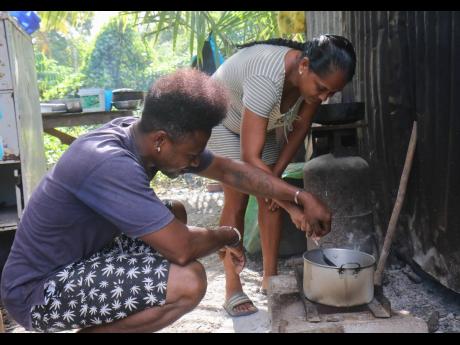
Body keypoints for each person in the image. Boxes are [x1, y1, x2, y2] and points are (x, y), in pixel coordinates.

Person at [0, 68, 331, 333]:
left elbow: (232, 172)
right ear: (161, 141)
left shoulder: (141, 136)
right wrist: (229, 235)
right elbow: (182, 248)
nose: (193, 163)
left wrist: (299, 196)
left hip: (78, 258)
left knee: (175, 212)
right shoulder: (108, 162)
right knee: (189, 281)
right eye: (190, 156)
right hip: (37, 291)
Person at [206, 34, 356, 316]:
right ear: (305, 65)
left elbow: (298, 130)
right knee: (237, 200)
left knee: (271, 195)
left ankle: (269, 278)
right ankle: (232, 288)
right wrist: (294, 203)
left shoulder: (311, 82)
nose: (324, 98)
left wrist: (276, 179)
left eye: (331, 94)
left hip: (255, 123)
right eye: (322, 89)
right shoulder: (267, 77)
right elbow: (250, 160)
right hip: (222, 122)